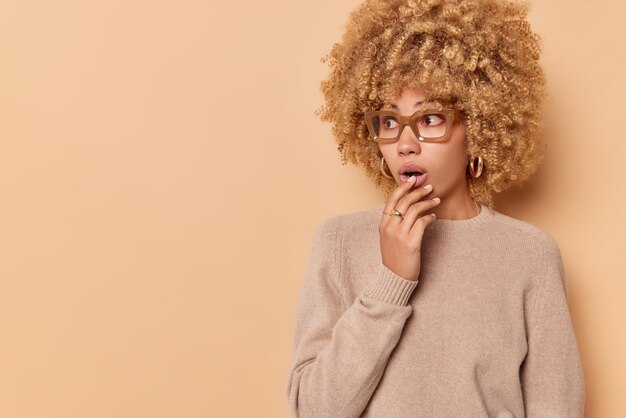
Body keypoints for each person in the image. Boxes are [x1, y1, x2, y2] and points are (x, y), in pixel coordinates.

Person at [286, 0, 585, 416]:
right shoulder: (339, 243)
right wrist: (390, 283)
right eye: (388, 122)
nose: (405, 143)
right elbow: (312, 409)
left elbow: (556, 407)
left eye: (429, 119)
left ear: (478, 126)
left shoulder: (529, 255)